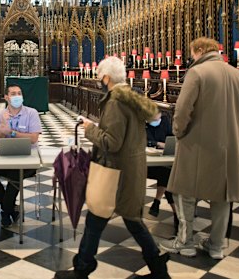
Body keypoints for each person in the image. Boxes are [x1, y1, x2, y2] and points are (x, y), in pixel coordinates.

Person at [55, 57, 169, 279]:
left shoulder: (116, 102)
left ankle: (83, 269)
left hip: (114, 172)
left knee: (102, 219)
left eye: (100, 78)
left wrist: (89, 128)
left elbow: (111, 142)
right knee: (124, 220)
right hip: (128, 169)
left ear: (106, 78)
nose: (99, 81)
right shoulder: (131, 98)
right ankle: (158, 269)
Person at [159, 37, 239, 260]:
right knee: (222, 196)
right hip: (228, 148)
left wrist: (179, 132)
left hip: (196, 145)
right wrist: (237, 135)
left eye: (192, 54)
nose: (191, 58)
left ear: (200, 50)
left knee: (184, 192)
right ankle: (217, 246)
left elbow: (182, 110)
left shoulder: (197, 73)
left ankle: (185, 242)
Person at [0, 84, 42, 227]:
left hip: (28, 160)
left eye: (19, 93)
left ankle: (6, 211)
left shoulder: (31, 113)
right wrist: (2, 129)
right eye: (13, 94)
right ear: (6, 97)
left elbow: (33, 138)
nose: (17, 96)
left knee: (16, 173)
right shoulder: (0, 115)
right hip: (5, 158)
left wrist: (12, 132)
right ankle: (9, 208)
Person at [146, 112, 178, 232]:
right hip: (149, 165)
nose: (157, 119)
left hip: (162, 160)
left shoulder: (164, 122)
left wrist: (167, 145)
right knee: (166, 174)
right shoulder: (143, 126)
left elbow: (171, 138)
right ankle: (176, 213)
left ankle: (157, 202)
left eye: (158, 115)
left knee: (166, 172)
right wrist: (158, 144)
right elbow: (145, 141)